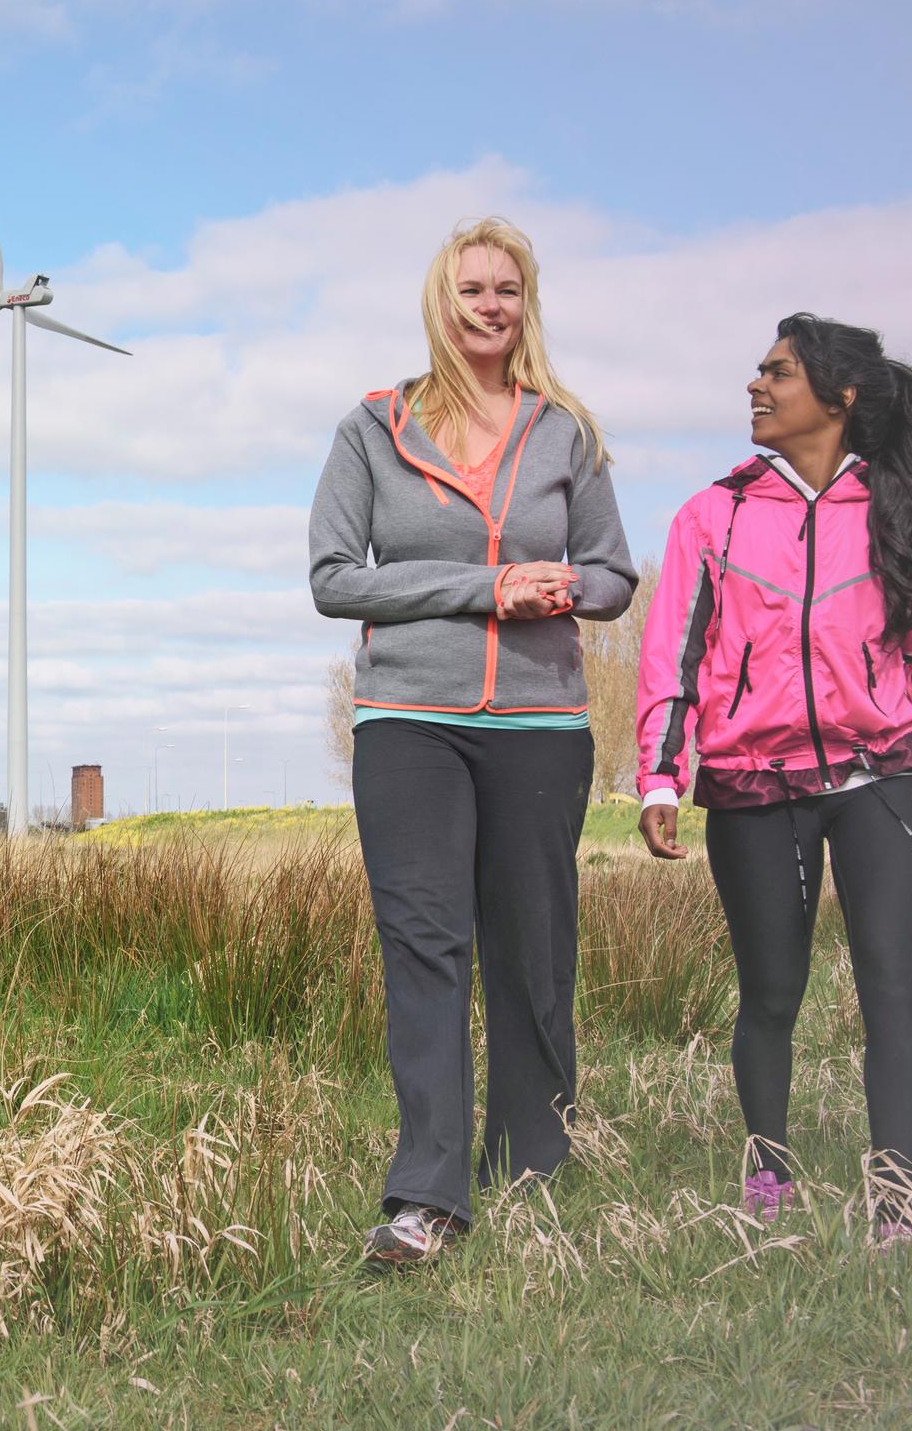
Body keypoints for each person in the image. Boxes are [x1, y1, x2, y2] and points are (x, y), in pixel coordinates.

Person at [310, 218, 637, 1266]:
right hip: (409, 722)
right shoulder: (374, 425)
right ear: (439, 303)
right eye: (471, 290)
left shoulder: (565, 431)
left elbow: (614, 573)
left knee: (533, 948)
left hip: (541, 724)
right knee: (425, 945)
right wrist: (483, 588)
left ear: (525, 302)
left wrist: (568, 586)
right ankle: (428, 1191)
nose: (489, 306)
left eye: (507, 289)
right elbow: (334, 578)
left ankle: (533, 1166)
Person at [633, 314, 912, 1253]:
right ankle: (768, 1178)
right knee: (772, 993)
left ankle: (897, 1208)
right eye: (758, 369)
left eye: (778, 372)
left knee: (894, 990)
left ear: (839, 397)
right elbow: (670, 652)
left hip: (885, 777)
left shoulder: (900, 510)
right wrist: (660, 778)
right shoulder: (712, 515)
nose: (756, 384)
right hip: (755, 783)